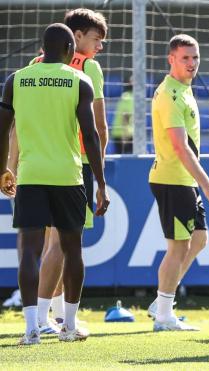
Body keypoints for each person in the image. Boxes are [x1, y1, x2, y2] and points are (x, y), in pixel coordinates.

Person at [0, 23, 109, 345]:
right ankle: (70, 326)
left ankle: (32, 328)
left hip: (30, 175)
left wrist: (4, 170)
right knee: (72, 251)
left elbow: (3, 129)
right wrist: (101, 183)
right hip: (69, 176)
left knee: (29, 253)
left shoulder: (16, 80)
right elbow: (90, 135)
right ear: (68, 49)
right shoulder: (79, 80)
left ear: (43, 47)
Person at [149, 34, 209, 332]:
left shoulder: (183, 90)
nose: (192, 63)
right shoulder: (170, 94)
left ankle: (161, 302)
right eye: (185, 58)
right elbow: (180, 148)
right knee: (178, 247)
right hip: (172, 178)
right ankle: (164, 314)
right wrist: (207, 185)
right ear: (171, 59)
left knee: (199, 240)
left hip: (182, 179)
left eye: (195, 57)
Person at [111, 76, 134, 154]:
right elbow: (125, 116)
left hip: (121, 133)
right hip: (123, 135)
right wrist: (125, 136)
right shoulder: (129, 97)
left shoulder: (126, 96)